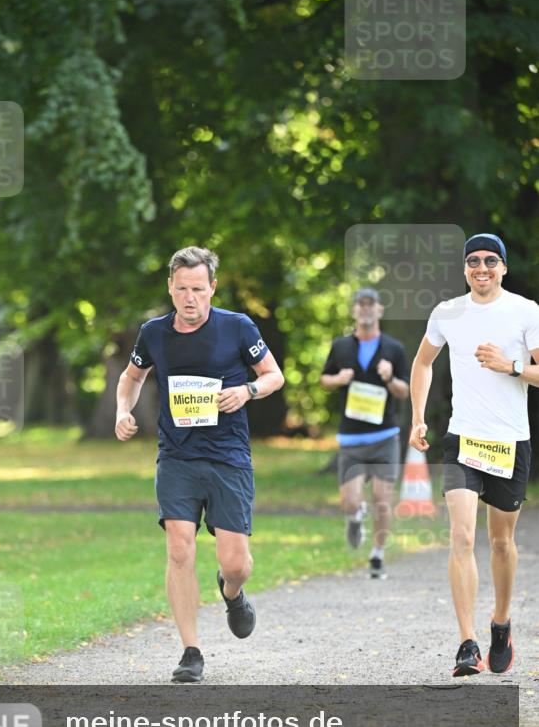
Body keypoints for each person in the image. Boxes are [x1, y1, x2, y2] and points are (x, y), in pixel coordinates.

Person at [115, 246, 284, 683]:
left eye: (198, 289)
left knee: (236, 563)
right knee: (179, 547)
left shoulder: (237, 327)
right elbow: (132, 377)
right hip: (177, 455)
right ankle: (191, 652)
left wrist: (247, 392)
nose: (190, 299)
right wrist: (122, 410)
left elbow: (273, 375)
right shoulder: (153, 333)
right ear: (170, 288)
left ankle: (233, 593)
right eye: (182, 289)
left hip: (228, 456)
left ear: (212, 288)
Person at [409, 233, 539, 677]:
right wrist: (418, 416)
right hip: (463, 440)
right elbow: (423, 362)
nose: (480, 267)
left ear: (503, 266)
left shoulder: (526, 311)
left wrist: (512, 366)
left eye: (489, 260)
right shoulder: (448, 313)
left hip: (509, 442)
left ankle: (500, 622)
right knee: (462, 538)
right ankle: (467, 643)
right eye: (472, 261)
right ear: (464, 268)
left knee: (501, 542)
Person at [321, 288, 410, 579]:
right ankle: (355, 517)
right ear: (354, 310)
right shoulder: (341, 346)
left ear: (380, 310)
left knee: (383, 501)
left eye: (372, 305)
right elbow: (324, 380)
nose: (367, 309)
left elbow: (405, 391)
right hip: (351, 439)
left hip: (385, 436)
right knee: (350, 500)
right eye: (362, 304)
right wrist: (339, 378)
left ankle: (377, 555)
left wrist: (390, 377)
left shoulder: (394, 349)